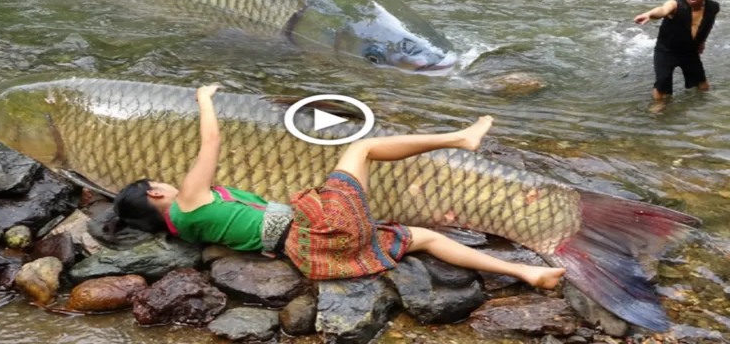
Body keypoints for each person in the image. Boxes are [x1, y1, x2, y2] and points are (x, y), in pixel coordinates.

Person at [112, 83, 566, 289]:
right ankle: (459, 138)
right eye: (161, 184)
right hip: (321, 228)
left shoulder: (184, 230)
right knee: (363, 148)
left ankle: (528, 272)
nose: (171, 183)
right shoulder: (189, 202)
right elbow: (210, 140)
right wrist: (204, 100)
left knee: (425, 239)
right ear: (157, 194)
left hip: (317, 257)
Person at [634, 0, 720, 106]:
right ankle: (657, 108)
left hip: (689, 51)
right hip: (666, 51)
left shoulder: (713, 7)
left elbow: (708, 24)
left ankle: (704, 106)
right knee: (662, 84)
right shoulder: (675, 4)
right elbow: (663, 10)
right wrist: (649, 14)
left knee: (702, 84)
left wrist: (702, 42)